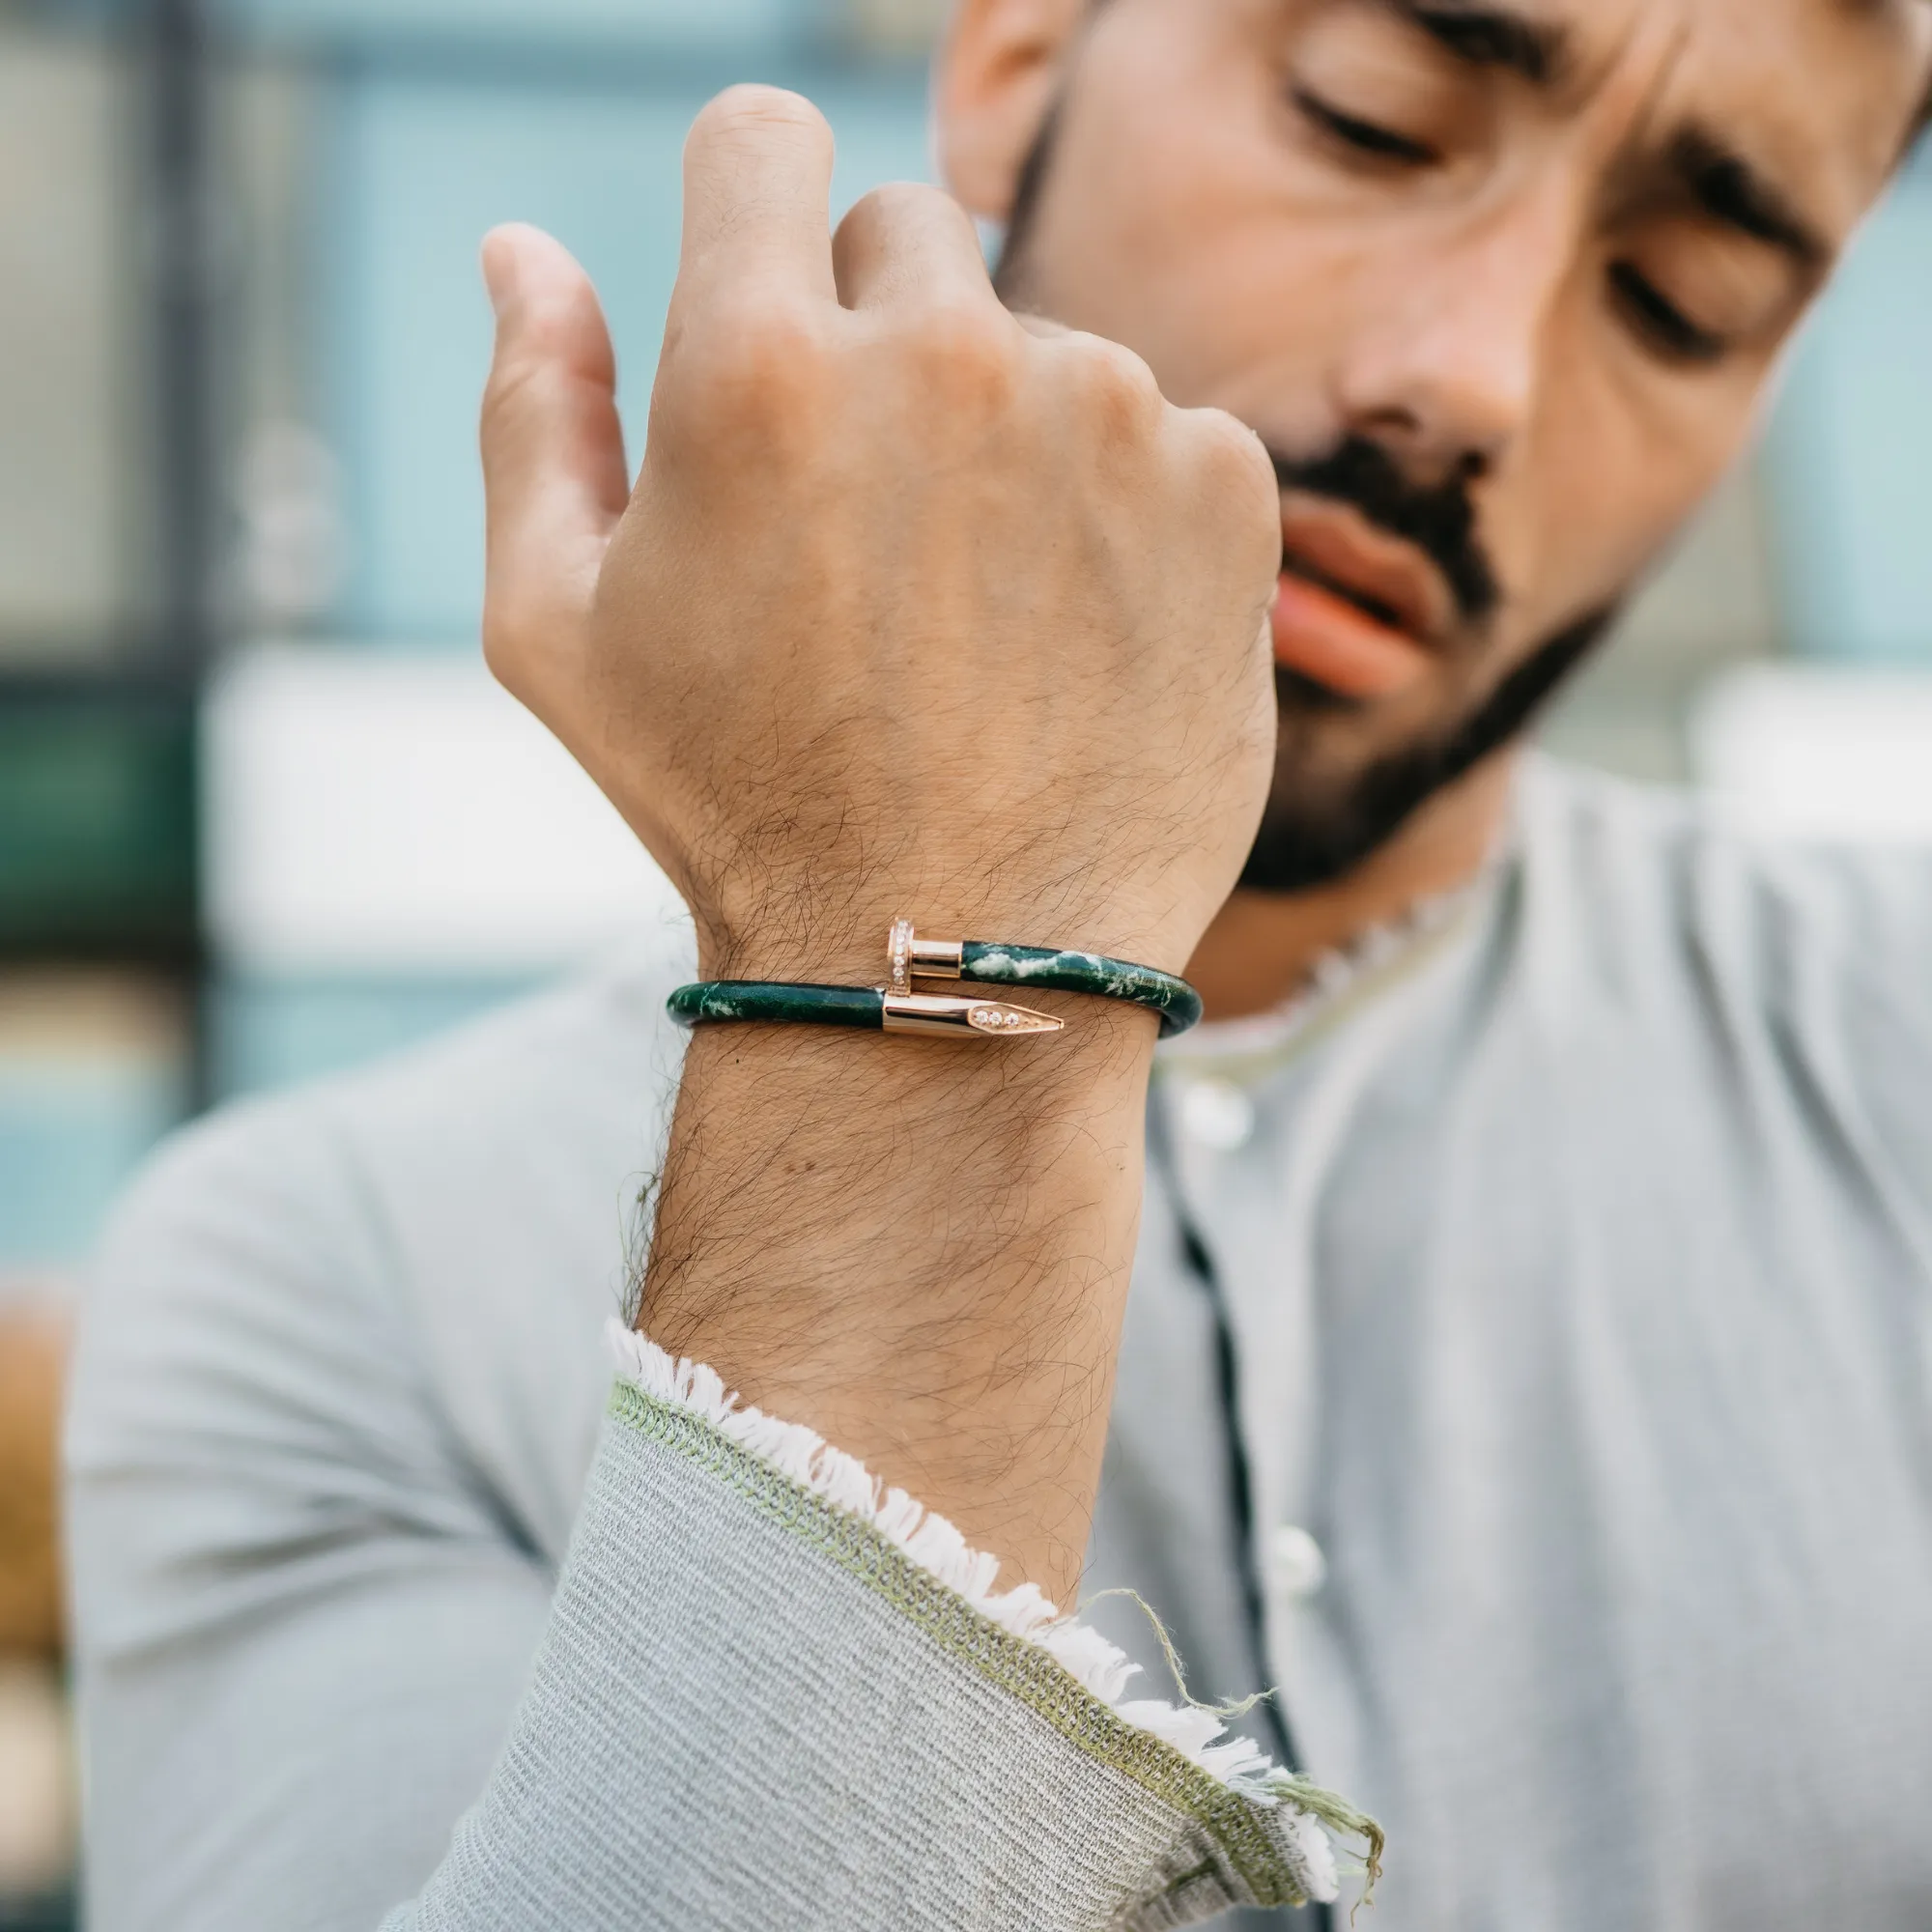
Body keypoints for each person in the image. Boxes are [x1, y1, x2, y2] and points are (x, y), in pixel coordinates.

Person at [64, 2, 1932, 1927]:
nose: (1467, 379)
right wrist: (914, 979)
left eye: (1683, 297)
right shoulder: (330, 1278)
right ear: (1018, 65)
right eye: (1369, 125)